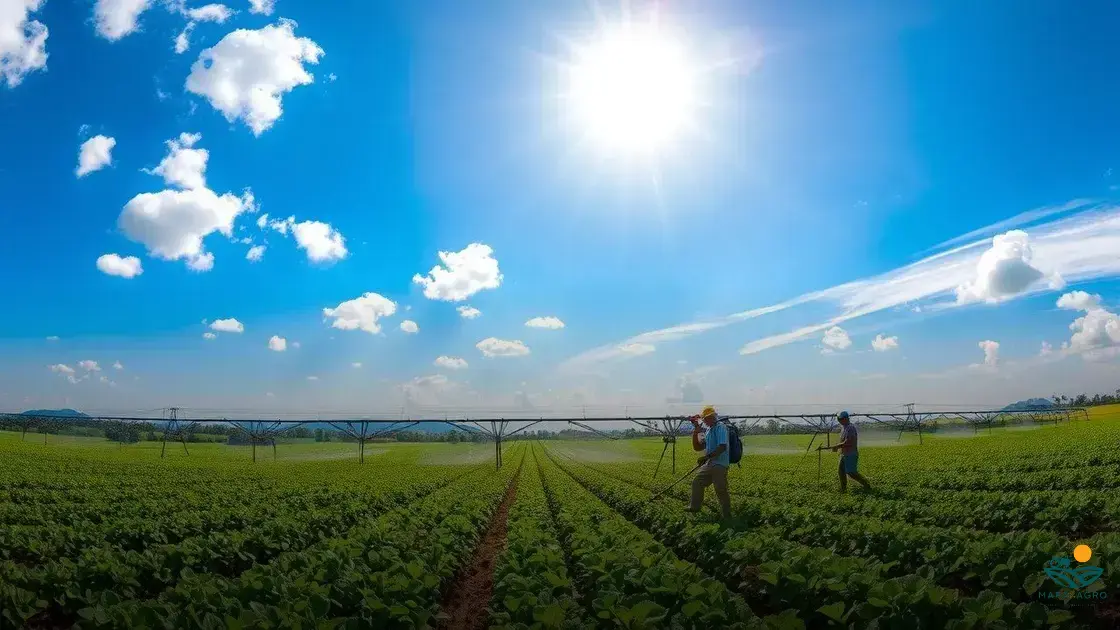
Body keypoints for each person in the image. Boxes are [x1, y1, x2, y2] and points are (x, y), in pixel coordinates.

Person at [686, 405, 732, 519]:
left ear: (713, 417)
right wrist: (696, 428)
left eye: (707, 418)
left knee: (720, 489)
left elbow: (722, 447)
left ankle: (727, 515)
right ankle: (695, 507)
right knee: (697, 482)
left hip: (720, 464)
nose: (705, 421)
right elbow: (699, 447)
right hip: (710, 464)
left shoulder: (720, 427)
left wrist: (706, 457)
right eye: (704, 419)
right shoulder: (708, 430)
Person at [829, 411, 871, 493]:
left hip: (850, 454)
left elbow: (848, 442)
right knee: (841, 472)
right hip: (844, 454)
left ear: (845, 418)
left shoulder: (850, 428)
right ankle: (843, 489)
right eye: (838, 419)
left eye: (840, 419)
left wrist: (837, 446)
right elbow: (843, 441)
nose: (839, 420)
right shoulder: (844, 428)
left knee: (851, 473)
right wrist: (838, 447)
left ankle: (867, 485)